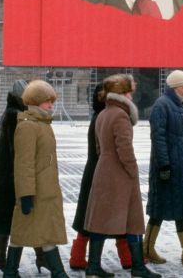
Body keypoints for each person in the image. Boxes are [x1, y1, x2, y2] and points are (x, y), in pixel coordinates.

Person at [84, 74, 160, 278]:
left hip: (104, 170)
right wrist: (132, 170)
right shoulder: (120, 115)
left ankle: (93, 267)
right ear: (121, 94)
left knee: (100, 221)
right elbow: (124, 148)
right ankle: (138, 267)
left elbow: (99, 147)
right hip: (120, 174)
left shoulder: (103, 114)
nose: (131, 96)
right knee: (133, 221)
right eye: (128, 92)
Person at [0, 80, 50, 274]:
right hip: (13, 176)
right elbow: (19, 150)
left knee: (11, 220)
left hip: (6, 176)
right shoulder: (17, 116)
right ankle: (21, 260)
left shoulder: (13, 113)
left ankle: (2, 259)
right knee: (23, 219)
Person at [3, 80, 68, 278]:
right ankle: (54, 272)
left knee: (40, 230)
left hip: (46, 189)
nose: (51, 105)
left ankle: (12, 270)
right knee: (28, 230)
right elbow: (24, 164)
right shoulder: (28, 126)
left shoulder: (42, 124)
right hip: (35, 190)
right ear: (36, 101)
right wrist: (25, 194)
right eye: (47, 101)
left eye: (51, 101)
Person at [69, 85, 132, 271]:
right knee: (115, 215)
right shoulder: (106, 117)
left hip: (95, 170)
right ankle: (127, 257)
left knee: (90, 217)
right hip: (104, 172)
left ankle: (78, 257)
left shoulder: (99, 116)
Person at [145, 70, 183, 266]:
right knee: (158, 210)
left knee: (182, 209)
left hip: (180, 168)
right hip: (165, 168)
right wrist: (164, 165)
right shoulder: (162, 106)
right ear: (174, 87)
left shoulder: (178, 106)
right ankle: (147, 249)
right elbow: (158, 138)